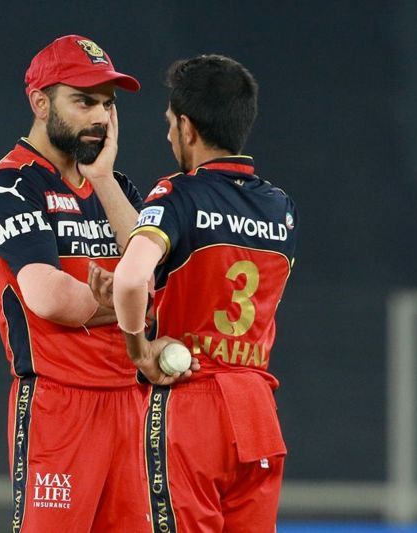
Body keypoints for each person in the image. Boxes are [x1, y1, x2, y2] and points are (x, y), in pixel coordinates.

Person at [0, 35, 152, 532]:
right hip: (58, 404)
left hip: (130, 403)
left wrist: (107, 182)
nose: (100, 117)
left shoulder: (117, 187)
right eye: (84, 101)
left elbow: (156, 286)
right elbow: (51, 298)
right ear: (40, 102)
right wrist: (131, 298)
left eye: (108, 104)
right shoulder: (11, 184)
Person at [112, 55, 298, 532]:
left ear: (188, 127)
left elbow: (132, 280)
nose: (169, 136)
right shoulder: (281, 209)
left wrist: (140, 348)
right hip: (256, 410)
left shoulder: (176, 196)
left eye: (170, 125)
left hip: (191, 400)